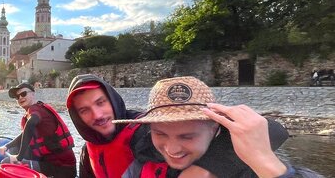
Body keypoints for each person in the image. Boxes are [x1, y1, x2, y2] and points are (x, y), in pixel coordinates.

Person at [66, 74, 288, 178]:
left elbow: (273, 128)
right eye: (84, 110)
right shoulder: (88, 150)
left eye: (100, 102)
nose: (97, 115)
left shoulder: (144, 129)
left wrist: (205, 168)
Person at [114, 76, 320, 178]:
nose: (172, 149)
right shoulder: (141, 165)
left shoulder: (250, 167)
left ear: (215, 129)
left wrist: (265, 162)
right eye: (160, 134)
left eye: (187, 137)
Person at [0, 82, 77, 178]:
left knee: (6, 162)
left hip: (61, 168)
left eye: (23, 94)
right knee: (14, 149)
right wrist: (7, 146)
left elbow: (31, 124)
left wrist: (20, 157)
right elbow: (24, 134)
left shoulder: (35, 110)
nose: (20, 98)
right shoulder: (35, 110)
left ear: (32, 94)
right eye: (17, 97)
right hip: (50, 162)